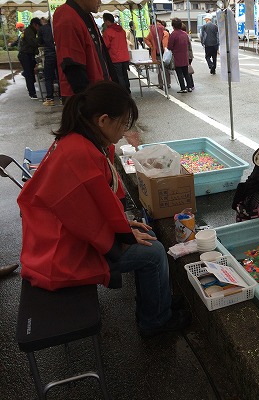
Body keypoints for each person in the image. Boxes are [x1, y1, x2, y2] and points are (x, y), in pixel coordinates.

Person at [17, 81, 192, 338]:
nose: (123, 132)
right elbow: (87, 215)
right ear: (103, 120)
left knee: (144, 234)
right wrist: (121, 233)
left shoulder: (76, 140)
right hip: (62, 254)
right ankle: (155, 321)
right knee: (152, 252)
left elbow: (91, 208)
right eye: (122, 124)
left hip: (58, 236)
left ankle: (158, 303)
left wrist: (124, 225)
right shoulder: (81, 152)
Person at [53, 0, 118, 98]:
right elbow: (72, 66)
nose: (100, 1)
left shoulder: (86, 15)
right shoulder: (67, 17)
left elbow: (102, 54)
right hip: (85, 97)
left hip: (98, 89)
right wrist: (89, 102)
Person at [102, 13, 131, 93]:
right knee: (125, 76)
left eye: (104, 21)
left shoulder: (108, 32)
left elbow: (105, 45)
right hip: (125, 57)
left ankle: (122, 93)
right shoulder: (122, 30)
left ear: (107, 21)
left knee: (119, 77)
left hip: (115, 58)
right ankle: (128, 91)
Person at [17, 17, 41, 100]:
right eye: (39, 26)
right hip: (25, 55)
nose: (39, 29)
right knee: (29, 74)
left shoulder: (30, 31)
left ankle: (31, 88)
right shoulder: (29, 31)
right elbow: (33, 42)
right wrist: (41, 41)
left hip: (28, 54)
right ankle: (32, 93)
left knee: (30, 72)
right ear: (35, 25)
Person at [168, 18, 193, 93]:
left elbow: (170, 46)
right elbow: (188, 44)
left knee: (179, 73)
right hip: (185, 56)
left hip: (177, 56)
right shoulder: (185, 34)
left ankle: (183, 88)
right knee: (186, 73)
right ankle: (189, 87)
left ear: (173, 26)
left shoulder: (173, 34)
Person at [38, 18, 59, 106]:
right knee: (60, 76)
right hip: (59, 53)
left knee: (48, 77)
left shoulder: (42, 29)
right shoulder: (58, 27)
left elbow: (39, 42)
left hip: (49, 54)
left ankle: (50, 98)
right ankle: (63, 97)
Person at [144, 19, 171, 89]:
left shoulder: (166, 33)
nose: (158, 26)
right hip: (156, 54)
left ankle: (167, 83)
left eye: (159, 24)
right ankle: (161, 84)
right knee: (159, 70)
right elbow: (146, 39)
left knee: (166, 69)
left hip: (165, 53)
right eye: (156, 25)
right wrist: (151, 46)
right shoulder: (152, 34)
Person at [181, 22, 194, 90]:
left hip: (187, 55)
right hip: (189, 55)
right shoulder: (186, 35)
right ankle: (191, 84)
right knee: (188, 70)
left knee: (186, 71)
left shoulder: (183, 35)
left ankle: (190, 85)